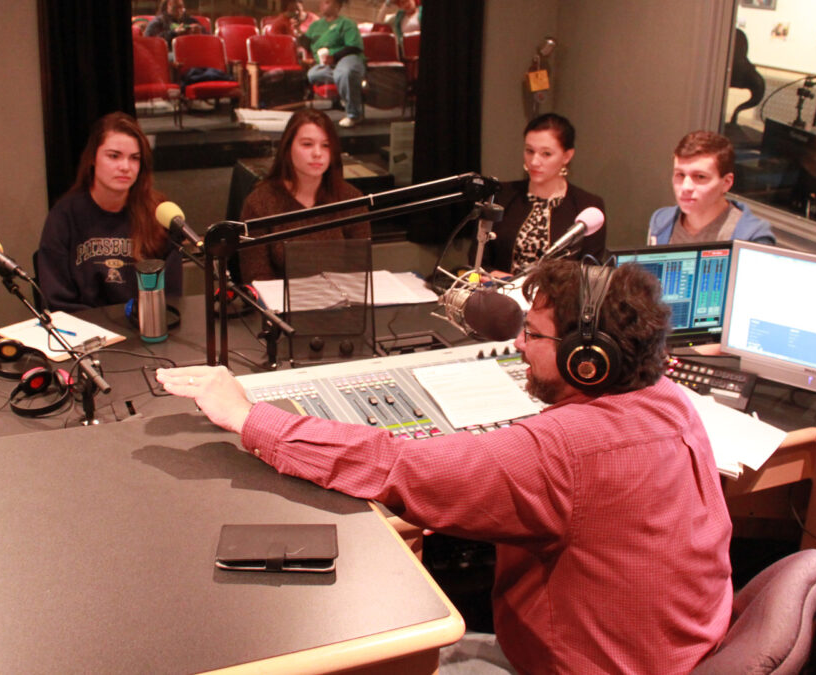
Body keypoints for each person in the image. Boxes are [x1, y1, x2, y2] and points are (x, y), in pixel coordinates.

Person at [156, 258, 733, 673]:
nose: (518, 345)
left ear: (587, 360)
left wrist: (249, 416)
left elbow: (393, 464)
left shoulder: (564, 451)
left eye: (532, 333)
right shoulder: (672, 402)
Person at [37, 111, 179, 313]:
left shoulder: (158, 213)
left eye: (134, 158)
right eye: (114, 156)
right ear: (93, 158)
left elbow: (172, 296)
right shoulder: (64, 216)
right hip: (86, 334)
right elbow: (57, 300)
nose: (125, 167)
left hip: (147, 328)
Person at [238, 108, 371, 283]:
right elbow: (256, 276)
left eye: (326, 145)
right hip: (278, 306)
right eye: (307, 144)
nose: (317, 153)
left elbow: (360, 272)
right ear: (288, 148)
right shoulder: (260, 203)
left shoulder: (351, 199)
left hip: (341, 303)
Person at [477, 113, 606, 275]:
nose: (534, 161)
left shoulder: (587, 205)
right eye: (529, 151)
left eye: (546, 154)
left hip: (557, 298)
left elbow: (590, 273)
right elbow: (477, 261)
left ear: (567, 156)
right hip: (500, 293)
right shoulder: (500, 195)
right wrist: (507, 283)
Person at [649, 130, 776, 245]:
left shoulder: (752, 238)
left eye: (700, 177)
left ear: (726, 183)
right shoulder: (661, 222)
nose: (686, 187)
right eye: (680, 175)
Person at [304, 0, 366, 128]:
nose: (321, 4)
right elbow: (304, 42)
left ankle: (354, 115)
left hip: (347, 58)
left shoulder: (346, 23)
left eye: (327, 2)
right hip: (325, 64)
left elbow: (354, 47)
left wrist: (334, 57)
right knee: (312, 74)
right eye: (321, 2)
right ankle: (348, 82)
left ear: (337, 6)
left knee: (345, 72)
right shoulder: (315, 25)